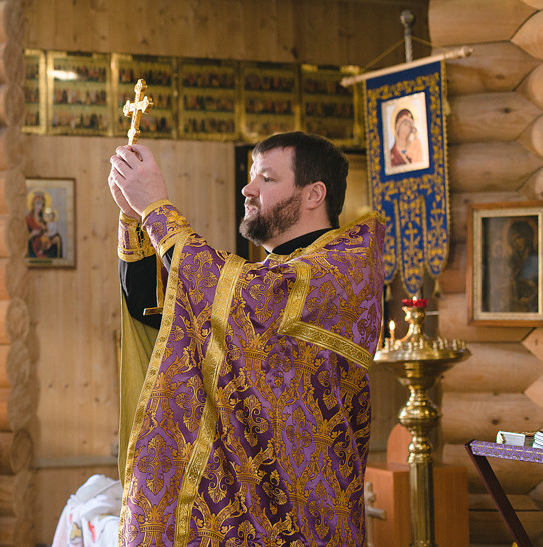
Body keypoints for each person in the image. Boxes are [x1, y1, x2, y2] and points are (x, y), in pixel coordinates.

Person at [108, 131, 384, 546]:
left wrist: (156, 209)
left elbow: (247, 295)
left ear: (314, 194)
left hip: (304, 513)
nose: (247, 189)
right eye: (252, 177)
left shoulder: (341, 270)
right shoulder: (272, 275)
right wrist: (135, 216)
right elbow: (153, 309)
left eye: (267, 179)